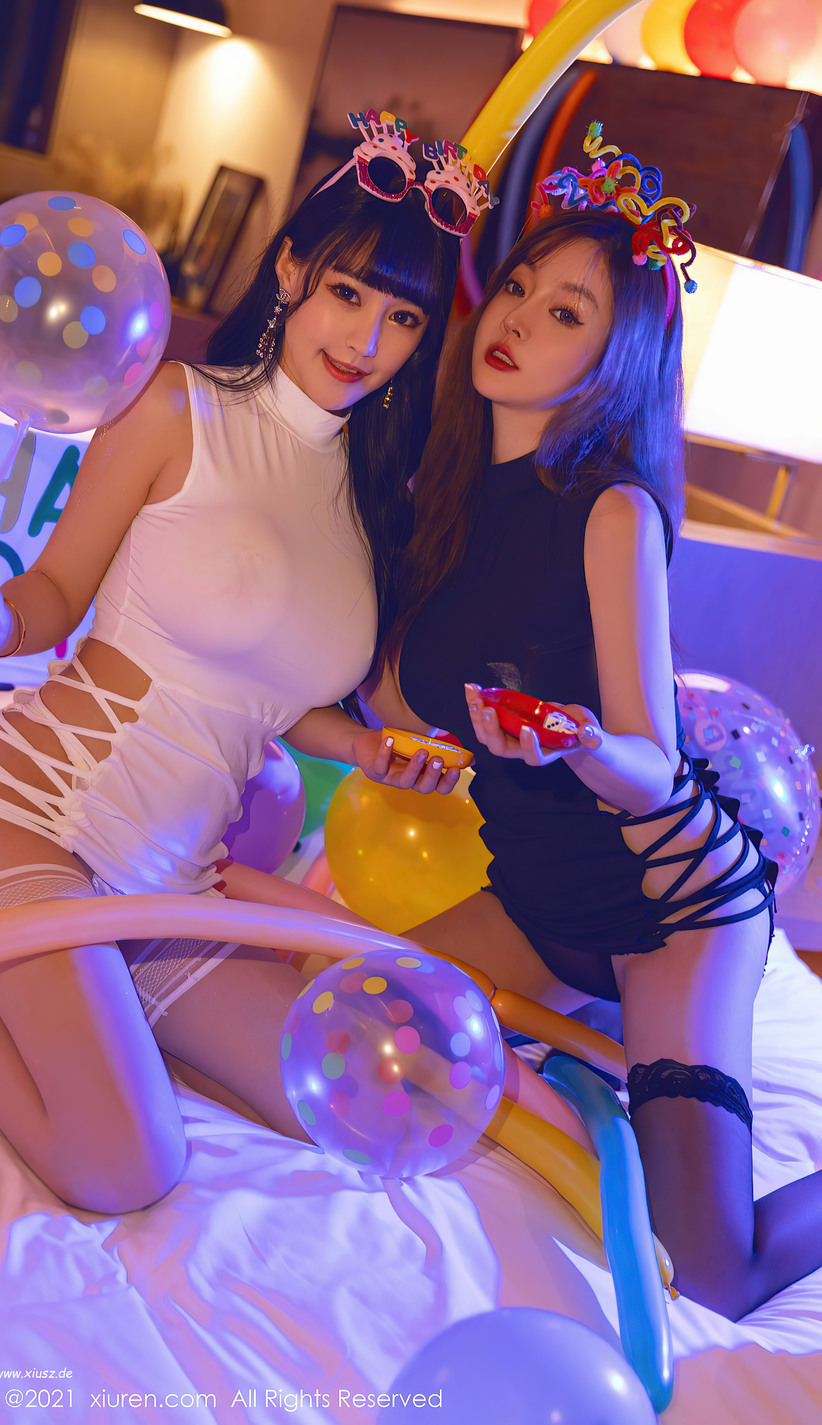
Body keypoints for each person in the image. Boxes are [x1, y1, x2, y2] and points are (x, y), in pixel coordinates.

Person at [0, 113, 468, 1214]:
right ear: (289, 270)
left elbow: (266, 698)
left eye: (401, 317)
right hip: (27, 816)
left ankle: (83, 994)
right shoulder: (174, 406)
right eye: (347, 292)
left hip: (170, 883)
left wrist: (365, 751)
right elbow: (53, 596)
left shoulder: (373, 502)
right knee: (126, 1166)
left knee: (356, 1108)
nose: (365, 337)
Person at [350, 127, 822, 1321]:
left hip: (671, 908)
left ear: (616, 360)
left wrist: (573, 743)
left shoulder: (613, 512)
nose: (514, 317)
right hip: (537, 901)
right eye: (518, 285)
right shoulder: (437, 499)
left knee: (709, 1274)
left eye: (565, 312)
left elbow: (652, 764)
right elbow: (386, 699)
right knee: (346, 1032)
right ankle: (586, 1035)